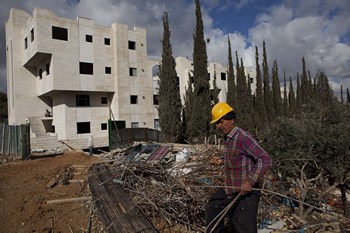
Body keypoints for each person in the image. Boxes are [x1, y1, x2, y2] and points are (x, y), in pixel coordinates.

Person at [205, 102, 272, 233]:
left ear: (232, 120)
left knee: (243, 228)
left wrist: (249, 181)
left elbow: (265, 159)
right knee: (213, 207)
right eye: (217, 123)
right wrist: (220, 160)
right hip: (231, 190)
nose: (219, 126)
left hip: (246, 194)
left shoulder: (243, 137)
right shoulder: (229, 138)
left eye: (221, 122)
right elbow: (236, 157)